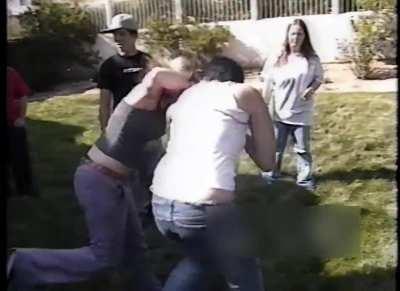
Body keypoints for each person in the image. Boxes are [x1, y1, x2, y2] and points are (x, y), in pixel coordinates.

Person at [7, 68, 192, 291]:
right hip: (97, 179)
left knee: (135, 251)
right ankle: (21, 262)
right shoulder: (139, 99)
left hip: (118, 184)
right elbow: (157, 74)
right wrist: (199, 87)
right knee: (103, 257)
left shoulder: (162, 112)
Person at [150, 56, 276, 291]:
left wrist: (236, 130)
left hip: (161, 204)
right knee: (244, 272)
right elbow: (268, 162)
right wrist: (248, 128)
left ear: (205, 76)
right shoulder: (244, 92)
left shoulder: (186, 96)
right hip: (204, 209)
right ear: (235, 80)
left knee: (202, 261)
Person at [97, 13, 157, 220]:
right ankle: (135, 211)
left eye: (121, 34)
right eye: (114, 35)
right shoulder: (109, 66)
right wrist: (106, 131)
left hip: (150, 126)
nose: (117, 39)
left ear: (133, 35)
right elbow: (104, 102)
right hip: (122, 127)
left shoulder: (147, 61)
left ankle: (153, 207)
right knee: (126, 171)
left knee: (151, 167)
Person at [260, 18, 323, 191]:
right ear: (287, 36)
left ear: (305, 36)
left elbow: (319, 78)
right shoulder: (277, 58)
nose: (296, 37)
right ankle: (270, 176)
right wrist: (262, 106)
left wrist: (311, 89)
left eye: (300, 33)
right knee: (276, 149)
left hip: (302, 112)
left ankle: (304, 180)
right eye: (293, 33)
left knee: (302, 149)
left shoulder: (312, 59)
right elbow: (267, 82)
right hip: (279, 111)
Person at [6, 66, 38, 198]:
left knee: (20, 158)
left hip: (13, 123)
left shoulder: (10, 73)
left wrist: (21, 118)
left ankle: (25, 189)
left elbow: (23, 95)